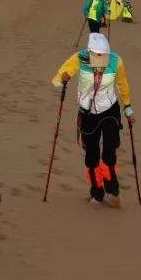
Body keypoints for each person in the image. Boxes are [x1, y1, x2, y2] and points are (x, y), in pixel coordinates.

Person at [50, 31, 133, 207]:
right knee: (92, 156)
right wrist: (62, 79)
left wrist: (127, 107)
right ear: (89, 52)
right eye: (97, 55)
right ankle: (97, 192)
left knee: (109, 153)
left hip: (110, 110)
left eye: (104, 55)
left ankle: (112, 189)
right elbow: (57, 79)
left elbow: (123, 84)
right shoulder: (79, 58)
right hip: (88, 114)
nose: (101, 58)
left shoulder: (116, 61)